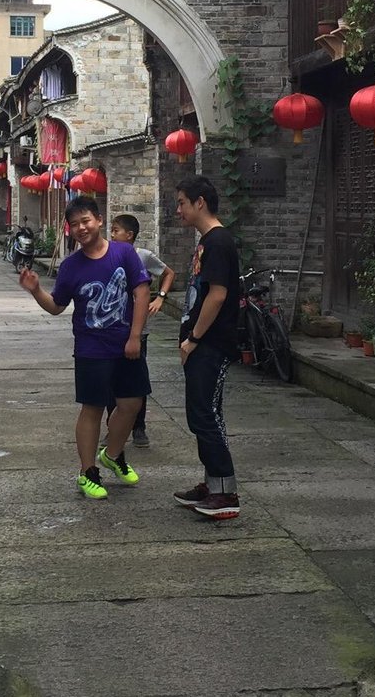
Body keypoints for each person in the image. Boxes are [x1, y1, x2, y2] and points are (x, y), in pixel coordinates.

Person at [18, 195, 151, 499]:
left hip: (126, 344)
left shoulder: (124, 253)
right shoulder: (70, 267)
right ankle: (87, 472)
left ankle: (113, 454)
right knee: (92, 408)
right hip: (91, 348)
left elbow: (141, 294)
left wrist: (134, 336)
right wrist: (36, 290)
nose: (81, 228)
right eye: (74, 224)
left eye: (86, 221)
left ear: (99, 220)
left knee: (131, 404)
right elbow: (56, 307)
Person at [172, 176, 242, 520]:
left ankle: (225, 493)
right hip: (202, 343)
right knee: (202, 415)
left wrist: (194, 338)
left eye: (182, 202)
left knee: (205, 416)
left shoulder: (218, 242)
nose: (179, 210)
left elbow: (218, 294)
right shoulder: (208, 241)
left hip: (211, 343)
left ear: (200, 202)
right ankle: (212, 484)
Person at [106, 214, 176, 447]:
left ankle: (139, 427)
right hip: (112, 329)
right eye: (112, 231)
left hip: (138, 330)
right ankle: (113, 428)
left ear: (130, 235)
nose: (112, 235)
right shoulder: (105, 256)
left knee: (136, 381)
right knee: (110, 382)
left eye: (116, 231)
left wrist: (161, 299)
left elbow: (168, 273)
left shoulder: (143, 257)